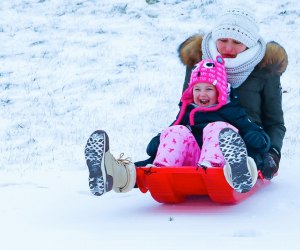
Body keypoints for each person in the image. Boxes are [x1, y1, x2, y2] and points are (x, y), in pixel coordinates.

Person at [85, 56, 271, 195]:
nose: (202, 94)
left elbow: (258, 136)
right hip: (187, 163)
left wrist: (255, 138)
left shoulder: (233, 111)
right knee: (176, 131)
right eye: (197, 89)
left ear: (220, 91)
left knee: (219, 129)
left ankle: (239, 171)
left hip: (220, 166)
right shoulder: (187, 111)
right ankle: (115, 173)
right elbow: (171, 135)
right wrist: (159, 141)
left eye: (208, 88)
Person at [144, 6, 288, 181]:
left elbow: (275, 122)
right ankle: (128, 174)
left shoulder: (265, 69)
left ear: (249, 43)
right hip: (198, 138)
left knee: (244, 153)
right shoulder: (199, 61)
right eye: (223, 39)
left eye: (237, 42)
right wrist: (166, 136)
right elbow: (187, 107)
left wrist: (272, 153)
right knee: (165, 152)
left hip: (245, 142)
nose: (228, 47)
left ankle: (239, 170)